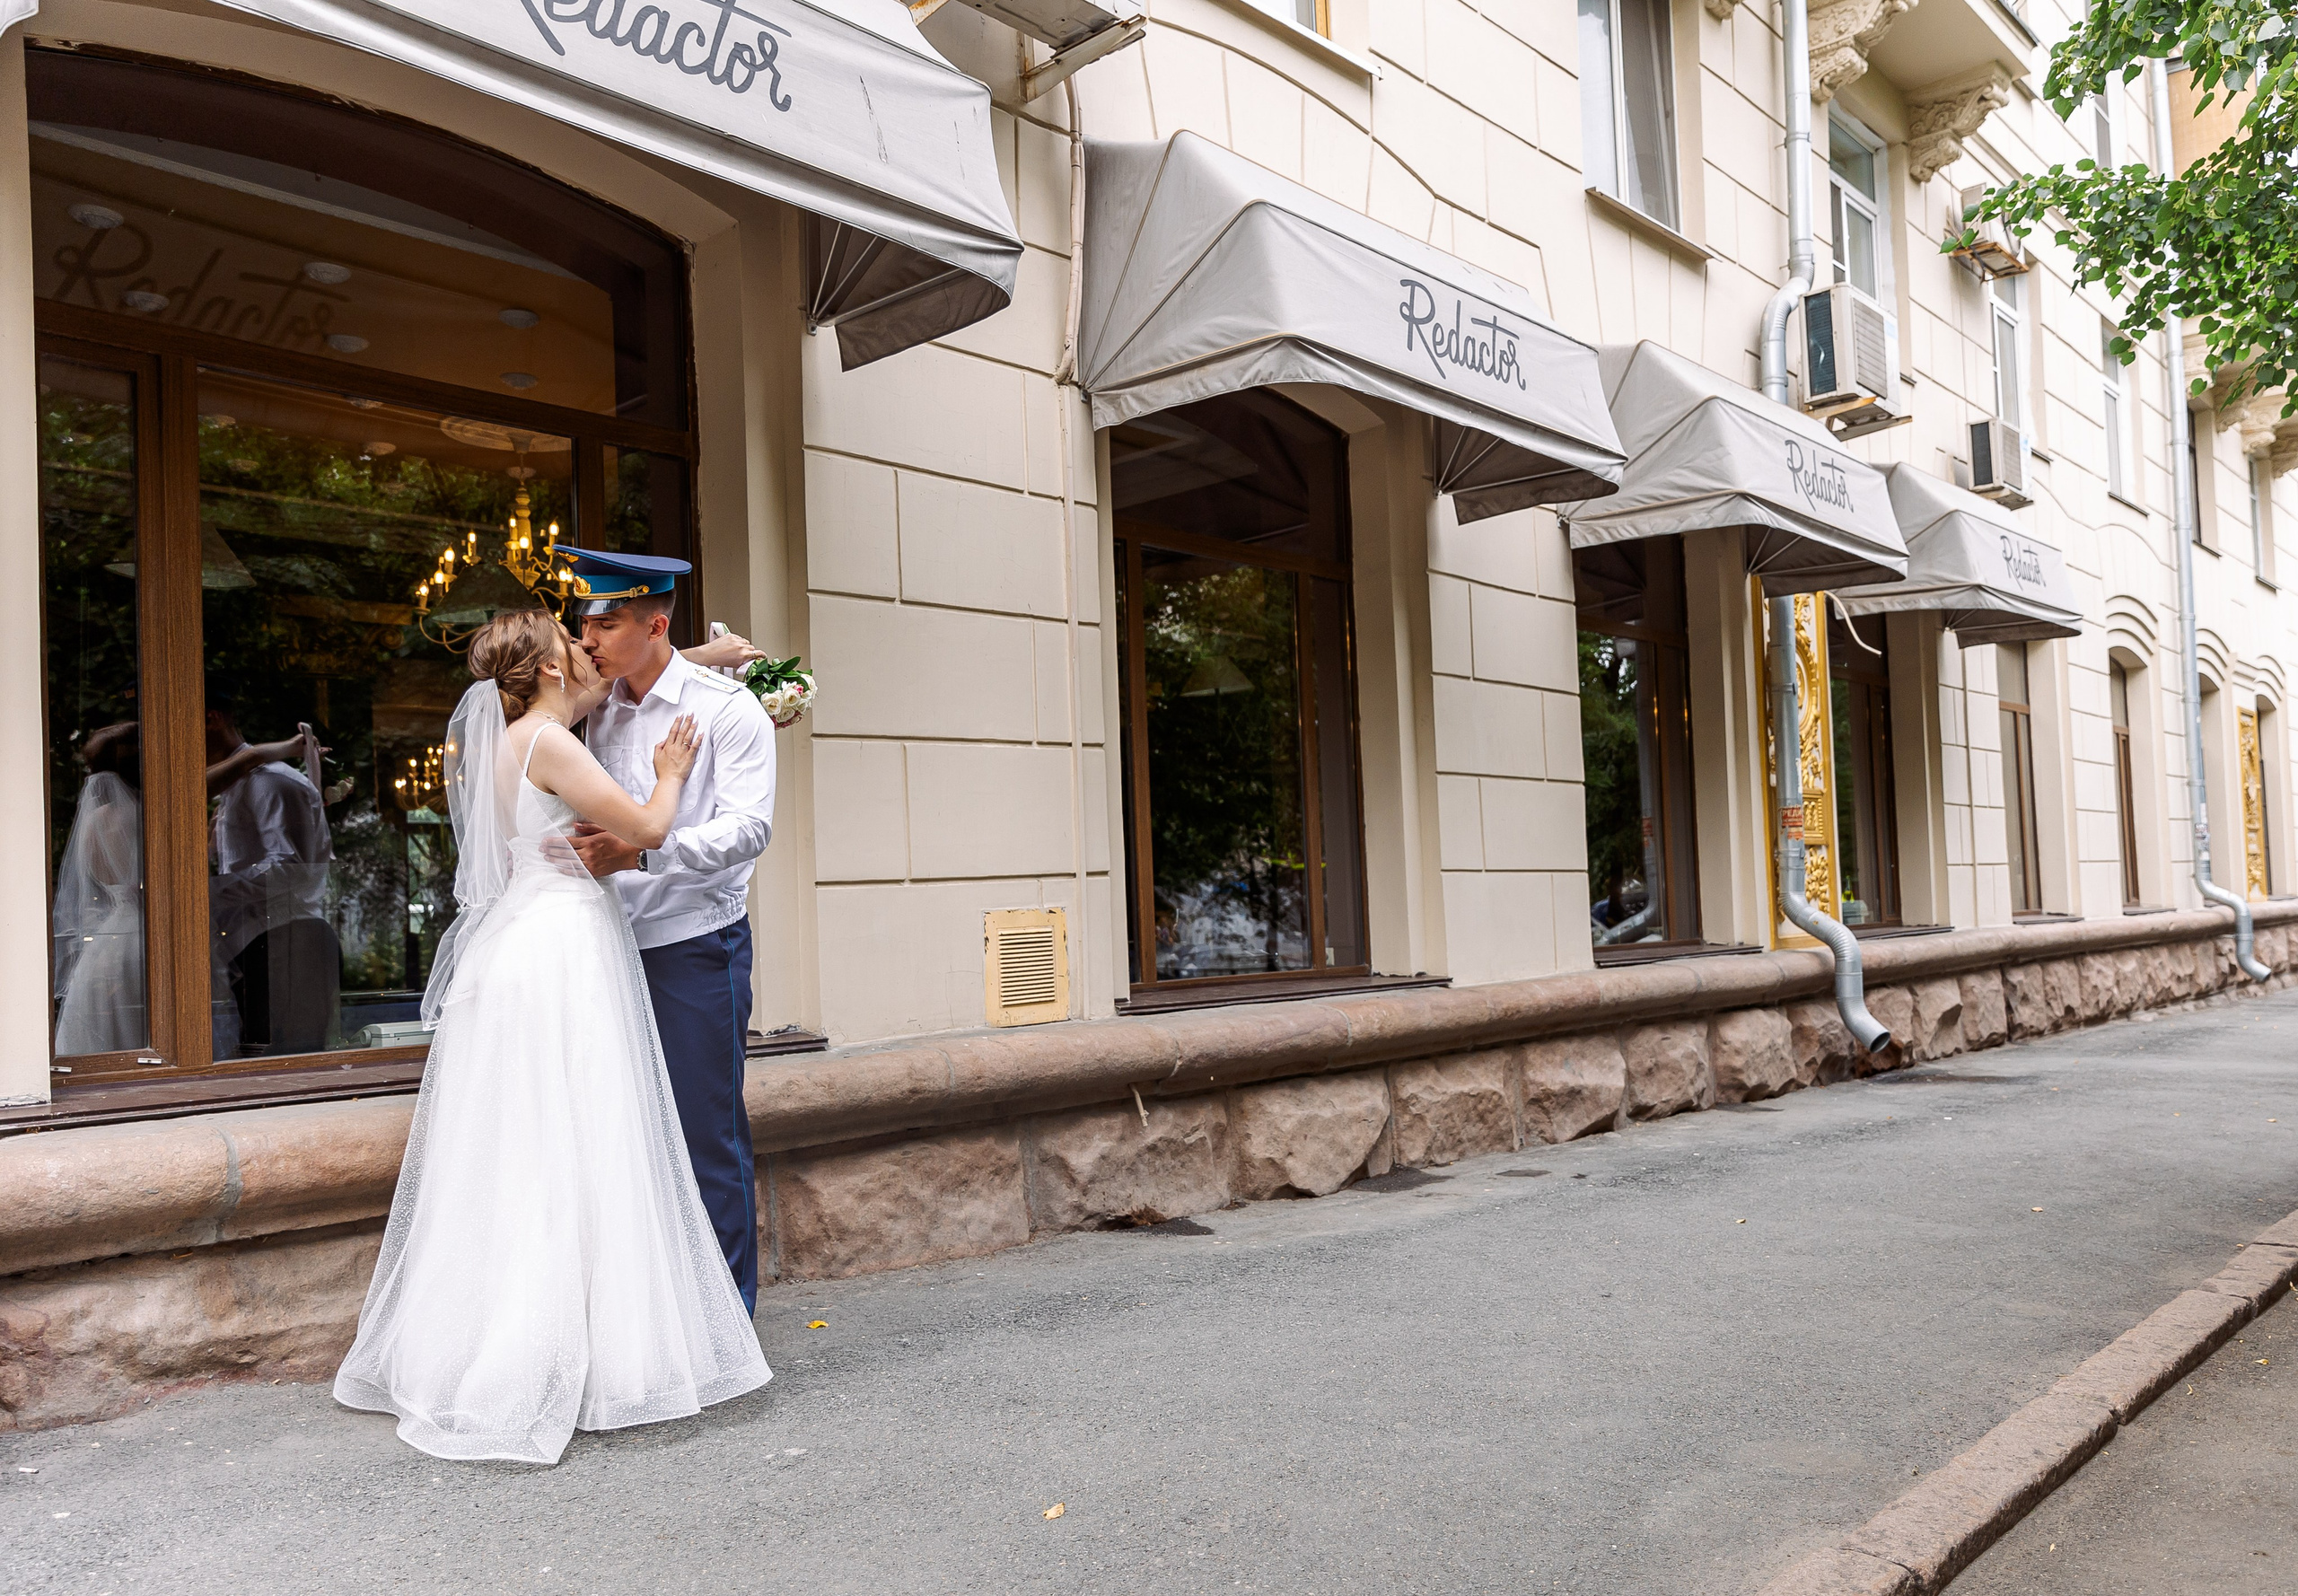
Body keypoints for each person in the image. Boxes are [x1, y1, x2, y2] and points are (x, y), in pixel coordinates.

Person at [335, 608, 769, 1464]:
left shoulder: (514, 737)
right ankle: (589, 1351)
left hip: (526, 945)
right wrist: (672, 772)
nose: (589, 651)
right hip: (565, 950)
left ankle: (520, 1343)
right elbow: (645, 830)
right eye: (575, 643)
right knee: (585, 1139)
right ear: (544, 668)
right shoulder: (551, 742)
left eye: (599, 633)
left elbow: (627, 674)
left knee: (531, 1146)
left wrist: (707, 658)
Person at [560, 548, 776, 1314]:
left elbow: (750, 830)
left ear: (655, 624)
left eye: (606, 621)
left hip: (693, 944)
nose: (587, 636)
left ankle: (725, 1321)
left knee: (703, 1134)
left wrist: (646, 848)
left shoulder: (726, 711)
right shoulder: (595, 705)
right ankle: (654, 1321)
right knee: (625, 1134)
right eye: (584, 619)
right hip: (607, 946)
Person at [206, 681, 338, 1055]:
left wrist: (209, 893)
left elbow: (287, 870)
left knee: (289, 1064)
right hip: (260, 942)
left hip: (290, 940)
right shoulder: (236, 787)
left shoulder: (270, 782)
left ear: (211, 719)